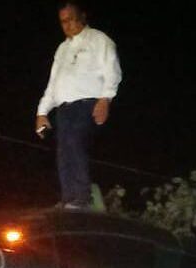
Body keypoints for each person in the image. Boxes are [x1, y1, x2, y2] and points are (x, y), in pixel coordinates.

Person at [35, 2, 122, 209]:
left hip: (87, 104)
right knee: (63, 150)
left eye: (71, 18)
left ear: (82, 16)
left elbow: (113, 70)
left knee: (74, 141)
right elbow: (53, 83)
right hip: (64, 108)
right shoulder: (62, 48)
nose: (67, 24)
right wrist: (42, 112)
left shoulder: (99, 40)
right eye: (63, 21)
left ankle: (82, 197)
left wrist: (105, 99)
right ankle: (68, 198)